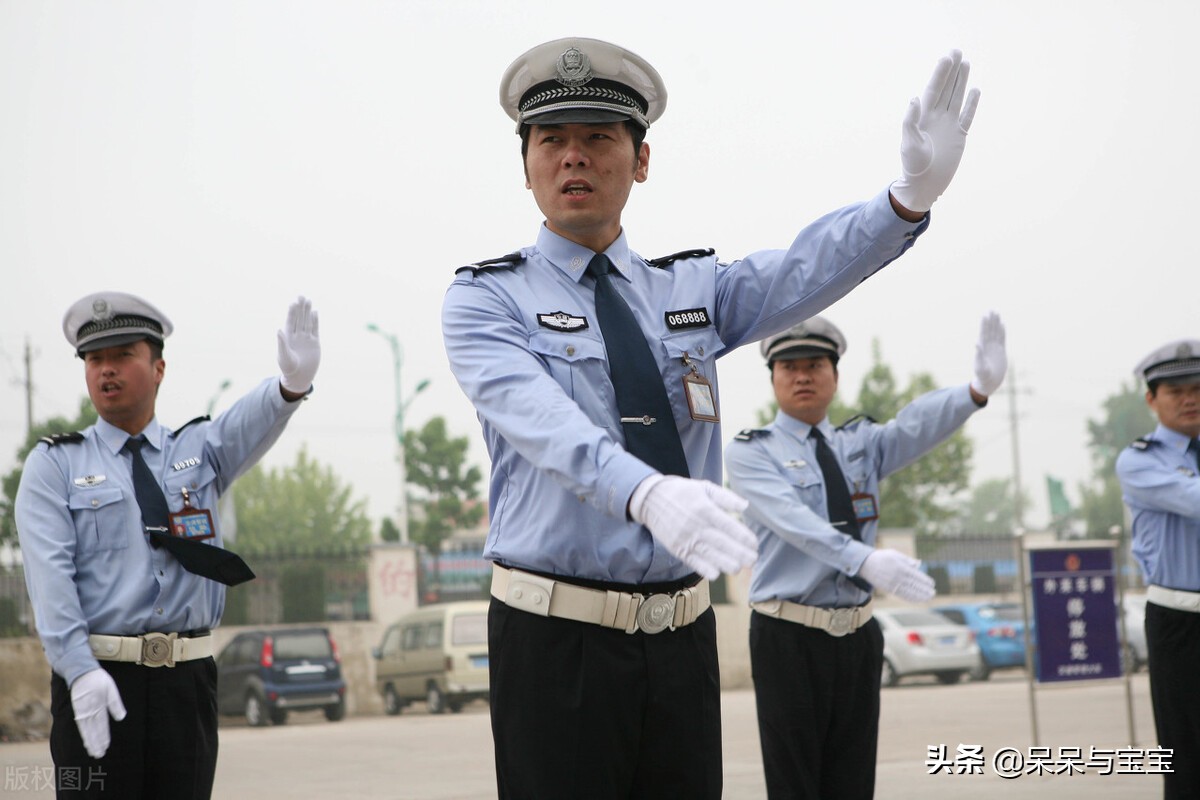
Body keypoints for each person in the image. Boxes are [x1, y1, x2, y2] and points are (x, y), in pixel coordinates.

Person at [441, 36, 981, 798]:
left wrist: (905, 201)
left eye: (599, 138)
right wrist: (644, 491)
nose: (574, 158)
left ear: (642, 159)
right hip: (556, 643)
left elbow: (800, 269)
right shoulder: (485, 300)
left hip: (680, 638)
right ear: (524, 162)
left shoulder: (687, 291)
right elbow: (534, 417)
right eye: (552, 140)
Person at [16, 292, 320, 799]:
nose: (106, 371)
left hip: (187, 682)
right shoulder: (56, 465)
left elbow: (245, 424)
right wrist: (78, 671)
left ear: (157, 368)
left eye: (121, 356)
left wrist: (291, 386)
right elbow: (51, 583)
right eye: (94, 360)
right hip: (100, 682)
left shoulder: (197, 450)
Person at [724, 313, 1006, 799]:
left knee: (853, 779)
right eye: (789, 367)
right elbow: (795, 521)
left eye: (815, 364)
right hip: (788, 634)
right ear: (773, 378)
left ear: (834, 375)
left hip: (857, 632)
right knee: (796, 782)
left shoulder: (860, 444)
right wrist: (863, 559)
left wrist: (974, 392)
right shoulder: (752, 453)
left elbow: (913, 427)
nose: (802, 376)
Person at [1116, 340, 1200, 800]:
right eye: (1176, 390)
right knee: (1187, 755)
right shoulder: (1141, 460)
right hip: (1181, 624)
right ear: (1152, 399)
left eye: (1198, 388)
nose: (1190, 399)